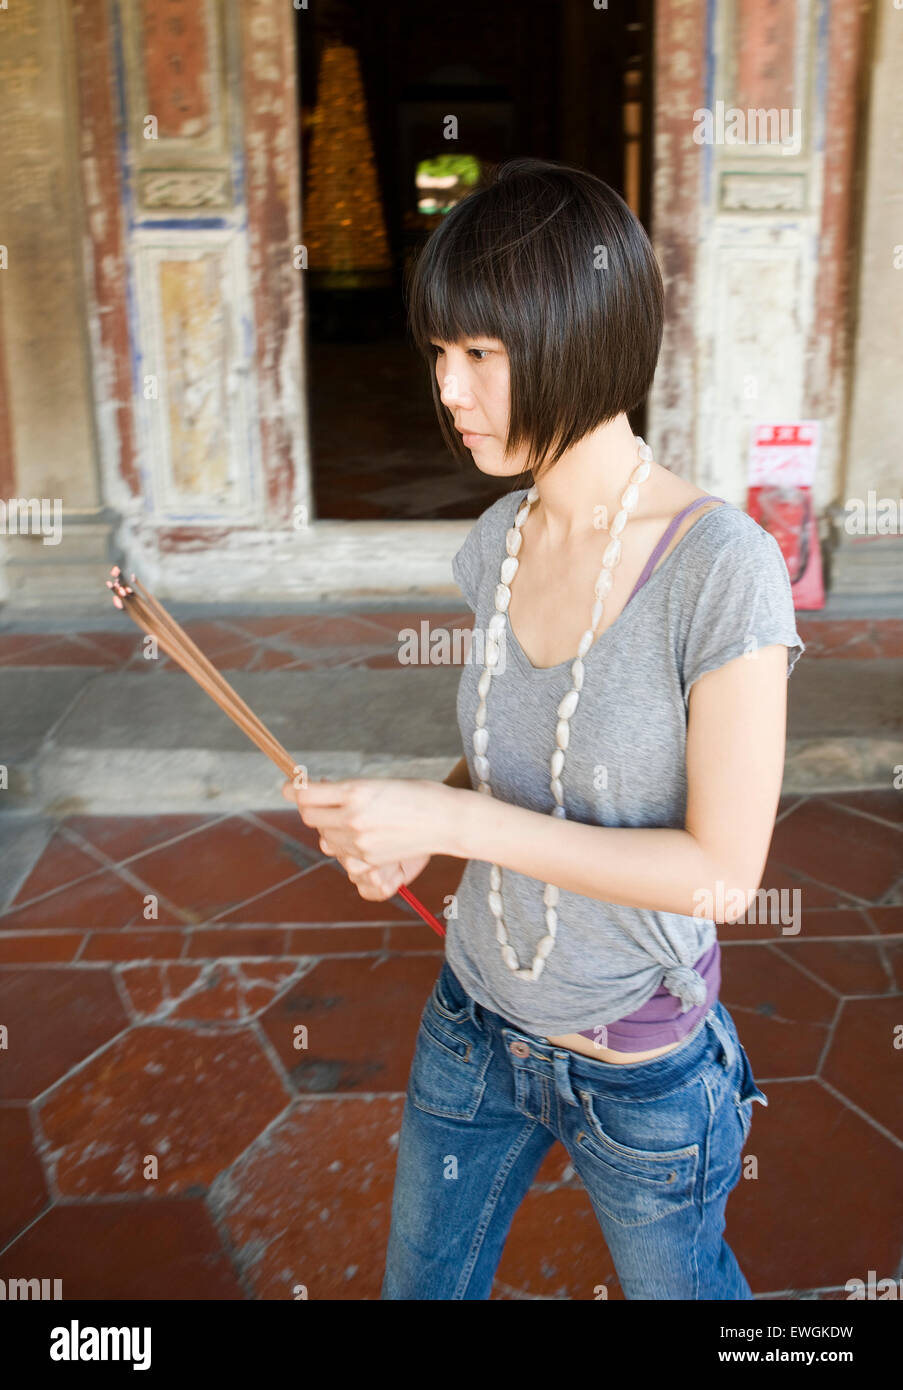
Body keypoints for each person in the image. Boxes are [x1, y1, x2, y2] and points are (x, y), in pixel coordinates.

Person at [282, 157, 805, 1299]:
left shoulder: (722, 569)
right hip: (472, 1022)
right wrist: (417, 829)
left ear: (578, 338)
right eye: (439, 352)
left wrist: (452, 821)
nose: (447, 388)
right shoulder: (498, 540)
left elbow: (722, 875)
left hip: (642, 1069)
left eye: (480, 353)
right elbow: (504, 756)